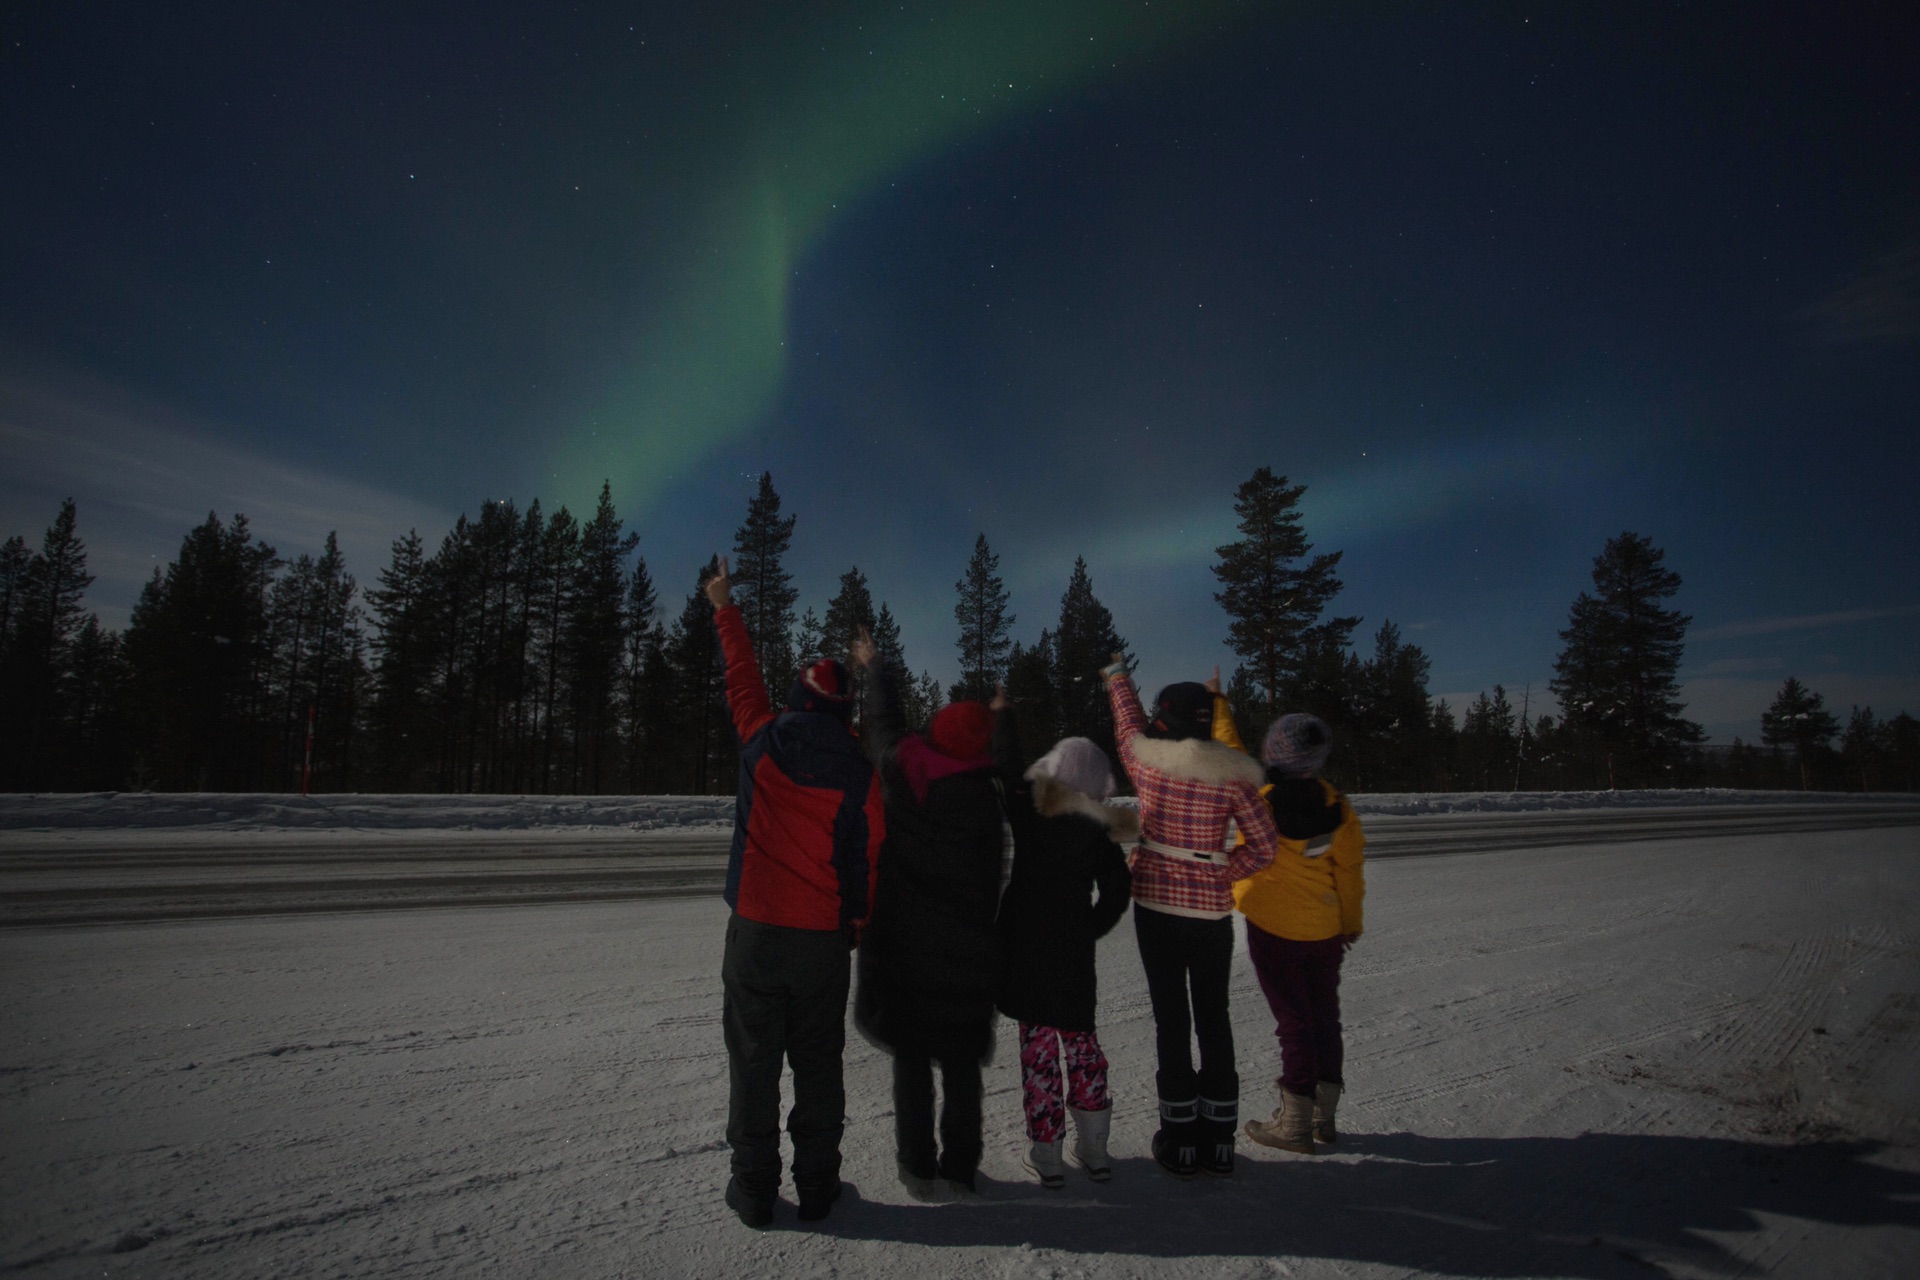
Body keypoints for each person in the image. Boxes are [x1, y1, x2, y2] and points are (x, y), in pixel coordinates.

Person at [707, 557, 885, 1228]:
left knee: (753, 1063)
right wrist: (859, 921)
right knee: (818, 1065)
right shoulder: (859, 772)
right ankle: (818, 1188)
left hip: (756, 933)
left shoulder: (762, 739)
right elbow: (869, 858)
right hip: (821, 943)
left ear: (797, 699)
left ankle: (753, 1190)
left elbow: (741, 680)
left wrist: (726, 606)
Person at [1102, 653, 1279, 1179]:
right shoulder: (1234, 777)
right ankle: (1219, 1139)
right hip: (1209, 915)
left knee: (1171, 1020)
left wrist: (1117, 677)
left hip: (1156, 907)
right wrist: (1222, 871)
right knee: (1214, 1016)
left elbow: (1127, 721)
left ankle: (1178, 1137)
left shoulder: (1146, 761)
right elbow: (1266, 847)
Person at [851, 630, 1006, 1199]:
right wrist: (1002, 718)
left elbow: (882, 726)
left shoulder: (905, 770)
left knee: (912, 1060)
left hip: (907, 946)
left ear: (937, 733)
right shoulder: (986, 803)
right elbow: (993, 881)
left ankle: (918, 1166)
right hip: (967, 952)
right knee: (962, 1065)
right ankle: (961, 1167)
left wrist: (875, 668)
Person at [1212, 701, 1366, 1154]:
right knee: (1323, 1017)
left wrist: (1220, 704)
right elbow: (1351, 872)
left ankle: (1295, 1123)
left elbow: (1231, 753)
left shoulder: (1259, 800)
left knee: (1293, 1022)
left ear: (1274, 754)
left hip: (1272, 927)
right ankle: (1323, 1116)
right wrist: (1350, 922)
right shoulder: (1337, 809)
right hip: (1324, 929)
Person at [993, 708, 1135, 1189]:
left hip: (1027, 947)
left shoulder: (1031, 811)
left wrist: (1002, 718)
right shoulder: (1095, 827)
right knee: (1082, 1046)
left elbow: (1009, 768)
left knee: (1038, 1054)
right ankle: (1094, 1148)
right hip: (1072, 953)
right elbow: (1118, 887)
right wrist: (1090, 926)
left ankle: (1047, 1153)